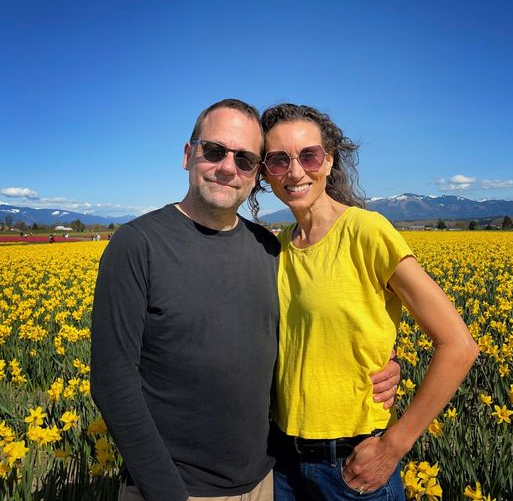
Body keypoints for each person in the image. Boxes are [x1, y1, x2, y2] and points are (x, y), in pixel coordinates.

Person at [90, 99, 400, 501]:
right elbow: (113, 383)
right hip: (175, 490)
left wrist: (388, 361)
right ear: (188, 155)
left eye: (245, 159)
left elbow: (320, 321)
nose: (227, 168)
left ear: (256, 175)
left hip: (267, 483)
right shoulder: (138, 244)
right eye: (214, 151)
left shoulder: (269, 249)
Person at [249, 103, 479, 500]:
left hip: (351, 469)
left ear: (329, 161)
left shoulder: (365, 231)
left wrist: (393, 446)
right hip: (282, 465)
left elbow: (459, 345)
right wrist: (388, 356)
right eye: (278, 160)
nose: (296, 171)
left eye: (309, 155)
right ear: (265, 173)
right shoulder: (277, 248)